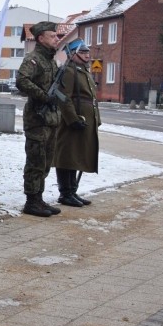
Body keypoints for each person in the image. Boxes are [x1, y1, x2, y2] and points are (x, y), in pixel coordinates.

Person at [16, 21, 62, 218]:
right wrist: (44, 96)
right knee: (35, 161)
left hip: (50, 118)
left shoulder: (51, 61)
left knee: (46, 161)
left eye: (56, 36)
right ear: (41, 38)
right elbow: (22, 81)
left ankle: (39, 198)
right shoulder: (33, 59)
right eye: (53, 36)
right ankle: (31, 201)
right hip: (37, 117)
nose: (56, 39)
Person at [53, 39, 100, 207]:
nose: (87, 55)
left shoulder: (82, 71)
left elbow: (91, 99)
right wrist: (72, 119)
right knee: (67, 156)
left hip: (83, 120)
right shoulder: (69, 71)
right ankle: (65, 193)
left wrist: (96, 120)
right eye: (83, 52)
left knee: (76, 156)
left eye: (88, 52)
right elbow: (64, 98)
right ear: (72, 54)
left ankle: (72, 191)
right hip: (71, 121)